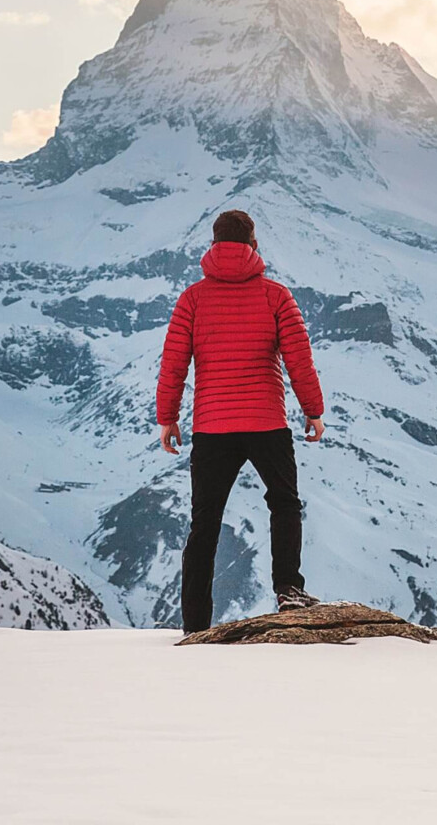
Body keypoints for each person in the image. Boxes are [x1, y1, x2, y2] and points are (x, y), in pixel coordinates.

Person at [157, 209, 326, 633]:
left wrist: (168, 418)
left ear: (213, 244)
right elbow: (298, 359)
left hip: (212, 427)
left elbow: (174, 363)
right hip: (266, 421)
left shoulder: (192, 299)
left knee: (205, 522)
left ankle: (195, 622)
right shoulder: (276, 296)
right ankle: (289, 588)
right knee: (283, 503)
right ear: (253, 244)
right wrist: (313, 411)